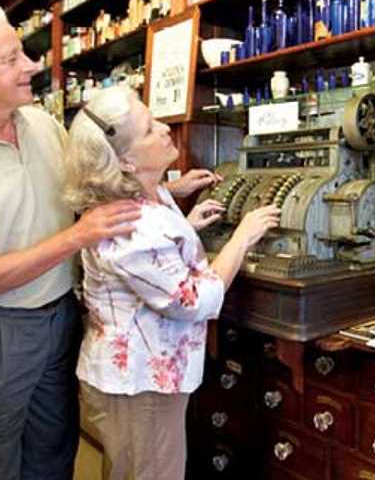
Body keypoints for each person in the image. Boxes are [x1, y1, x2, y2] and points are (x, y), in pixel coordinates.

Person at [0, 1, 215, 480]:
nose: (32, 65)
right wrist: (77, 236)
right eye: (11, 59)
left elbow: (93, 195)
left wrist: (164, 190)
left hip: (60, 316)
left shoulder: (41, 125)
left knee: (53, 453)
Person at [63, 86, 280, 480]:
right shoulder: (131, 228)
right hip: (140, 385)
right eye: (149, 129)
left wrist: (185, 222)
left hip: (141, 379)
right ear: (126, 160)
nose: (165, 129)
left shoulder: (143, 196)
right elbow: (195, 298)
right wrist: (243, 236)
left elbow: (158, 230)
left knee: (131, 470)